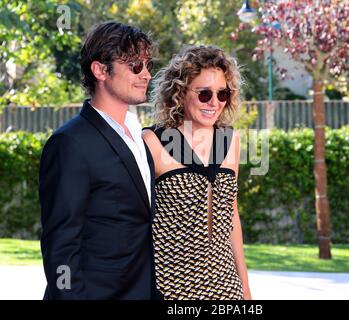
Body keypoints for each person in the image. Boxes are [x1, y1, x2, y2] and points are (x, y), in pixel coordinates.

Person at [39, 21, 162, 300]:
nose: (146, 74)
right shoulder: (70, 143)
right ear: (100, 70)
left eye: (146, 65)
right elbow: (61, 246)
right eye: (135, 66)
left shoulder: (140, 136)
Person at [143, 45, 252, 300]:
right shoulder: (153, 141)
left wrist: (245, 288)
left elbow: (231, 215)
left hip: (226, 286)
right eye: (204, 94)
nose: (214, 102)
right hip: (170, 287)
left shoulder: (230, 140)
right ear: (180, 93)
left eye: (222, 93)